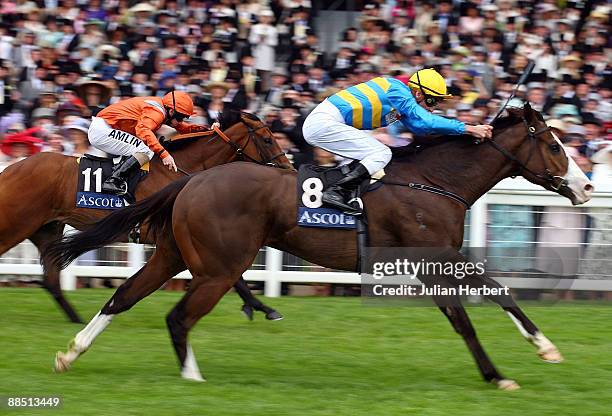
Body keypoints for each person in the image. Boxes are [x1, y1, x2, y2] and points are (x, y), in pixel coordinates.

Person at [302, 68, 493, 214]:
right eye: (432, 101)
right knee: (381, 153)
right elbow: (426, 121)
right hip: (324, 122)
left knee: (376, 154)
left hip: (329, 124)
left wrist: (464, 135)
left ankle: (344, 192)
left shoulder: (401, 107)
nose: (433, 108)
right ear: (418, 94)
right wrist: (468, 128)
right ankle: (336, 191)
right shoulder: (397, 90)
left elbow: (421, 128)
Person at [89, 90, 208, 195]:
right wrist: (164, 154)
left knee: (145, 149)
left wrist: (208, 130)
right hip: (103, 130)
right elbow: (143, 130)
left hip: (106, 127)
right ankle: (113, 180)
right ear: (171, 111)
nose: (181, 121)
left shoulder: (163, 109)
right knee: (145, 151)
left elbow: (183, 128)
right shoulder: (157, 112)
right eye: (181, 117)